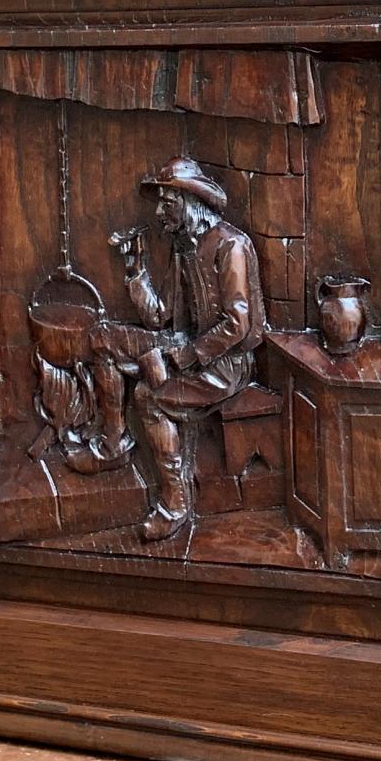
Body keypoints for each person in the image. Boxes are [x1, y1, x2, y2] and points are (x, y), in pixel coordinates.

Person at [112, 157, 264, 542]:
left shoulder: (230, 245)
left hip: (228, 363)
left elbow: (237, 323)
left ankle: (174, 504)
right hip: (192, 350)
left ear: (189, 202)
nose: (161, 212)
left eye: (168, 203)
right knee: (113, 348)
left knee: (148, 398)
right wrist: (135, 271)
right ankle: (110, 445)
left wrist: (183, 357)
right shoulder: (184, 248)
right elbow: (160, 315)